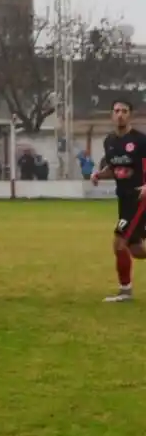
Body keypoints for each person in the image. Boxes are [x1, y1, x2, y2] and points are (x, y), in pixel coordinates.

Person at [91, 99, 146, 302]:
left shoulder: (140, 141)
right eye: (117, 111)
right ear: (112, 115)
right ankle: (125, 290)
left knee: (119, 243)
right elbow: (114, 168)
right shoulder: (110, 141)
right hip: (123, 200)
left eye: (124, 111)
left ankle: (125, 292)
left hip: (139, 198)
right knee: (135, 249)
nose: (120, 114)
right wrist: (99, 174)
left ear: (130, 114)